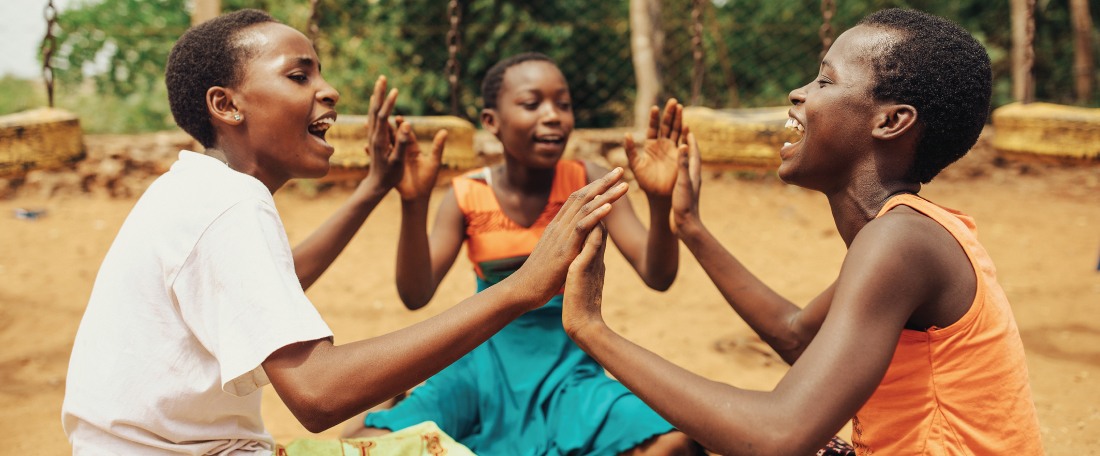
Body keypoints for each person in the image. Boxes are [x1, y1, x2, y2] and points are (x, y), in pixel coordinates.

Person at [61, 10, 628, 454]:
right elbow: (318, 392)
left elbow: (278, 287)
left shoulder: (196, 189)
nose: (329, 91)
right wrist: (521, 288)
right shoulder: (229, 204)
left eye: (320, 73)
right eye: (298, 75)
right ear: (226, 105)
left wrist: (375, 186)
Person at [560, 9, 1044, 456]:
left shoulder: (901, 243)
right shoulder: (913, 232)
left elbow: (778, 435)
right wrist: (689, 226)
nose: (799, 93)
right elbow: (798, 337)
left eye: (825, 80)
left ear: (891, 121)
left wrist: (591, 329)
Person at [343, 53, 700, 456]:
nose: (554, 116)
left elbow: (658, 274)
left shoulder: (589, 181)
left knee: (672, 444)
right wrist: (414, 202)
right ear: (491, 122)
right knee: (367, 446)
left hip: (569, 374)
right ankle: (398, 403)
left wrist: (659, 201)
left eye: (563, 104)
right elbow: (415, 293)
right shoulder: (466, 195)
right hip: (477, 370)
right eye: (532, 104)